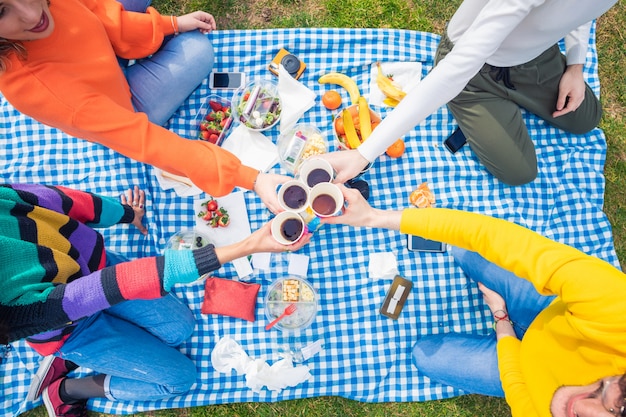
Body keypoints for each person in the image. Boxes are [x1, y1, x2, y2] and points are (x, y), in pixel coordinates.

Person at [0, 183, 311, 417]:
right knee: (180, 378)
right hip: (70, 326)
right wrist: (248, 245)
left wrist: (126, 214)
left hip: (95, 269)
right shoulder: (18, 309)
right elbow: (122, 283)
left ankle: (76, 358)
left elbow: (63, 201)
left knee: (181, 328)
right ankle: (67, 389)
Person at [322, 184, 626, 416]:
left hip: (522, 363)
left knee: (424, 355)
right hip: (551, 312)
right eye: (607, 395)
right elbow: (496, 238)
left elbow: (521, 395)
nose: (583, 410)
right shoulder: (617, 308)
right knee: (465, 248)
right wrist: (376, 217)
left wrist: (503, 329)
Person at [0, 0, 288, 212]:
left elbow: (101, 16)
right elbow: (146, 141)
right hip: (121, 107)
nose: (31, 12)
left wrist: (170, 24)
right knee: (197, 50)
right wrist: (250, 177)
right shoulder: (44, 90)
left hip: (107, 56)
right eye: (2, 11)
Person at [321, 0, 617, 186]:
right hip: (471, 69)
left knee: (586, 118)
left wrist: (576, 64)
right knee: (520, 172)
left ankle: (500, 105)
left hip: (533, 58)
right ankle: (475, 104)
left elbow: (581, 10)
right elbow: (455, 70)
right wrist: (364, 153)